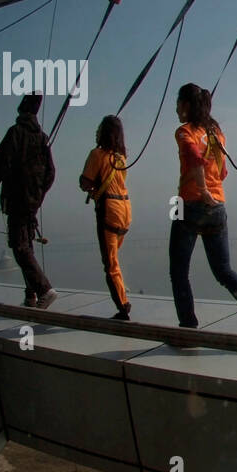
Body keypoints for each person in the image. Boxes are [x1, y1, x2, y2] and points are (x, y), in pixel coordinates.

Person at [169, 83, 237, 336]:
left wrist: (202, 190)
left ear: (186, 105)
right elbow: (223, 171)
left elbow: (194, 157)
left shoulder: (184, 132)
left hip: (191, 203)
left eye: (178, 103)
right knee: (223, 271)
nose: (176, 108)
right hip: (218, 206)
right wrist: (211, 191)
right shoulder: (216, 132)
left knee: (179, 271)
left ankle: (188, 327)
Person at [0, 91, 57, 309]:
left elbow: (0, 165)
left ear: (21, 111)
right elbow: (51, 172)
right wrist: (39, 193)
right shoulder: (42, 139)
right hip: (33, 201)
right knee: (27, 244)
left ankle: (44, 290)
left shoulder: (15, 133)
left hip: (17, 200)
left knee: (19, 246)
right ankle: (31, 295)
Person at [79, 115, 133, 320]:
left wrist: (89, 188)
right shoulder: (121, 159)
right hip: (125, 210)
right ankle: (122, 294)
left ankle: (123, 306)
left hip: (109, 210)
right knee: (114, 259)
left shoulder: (97, 155)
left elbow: (85, 181)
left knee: (110, 263)